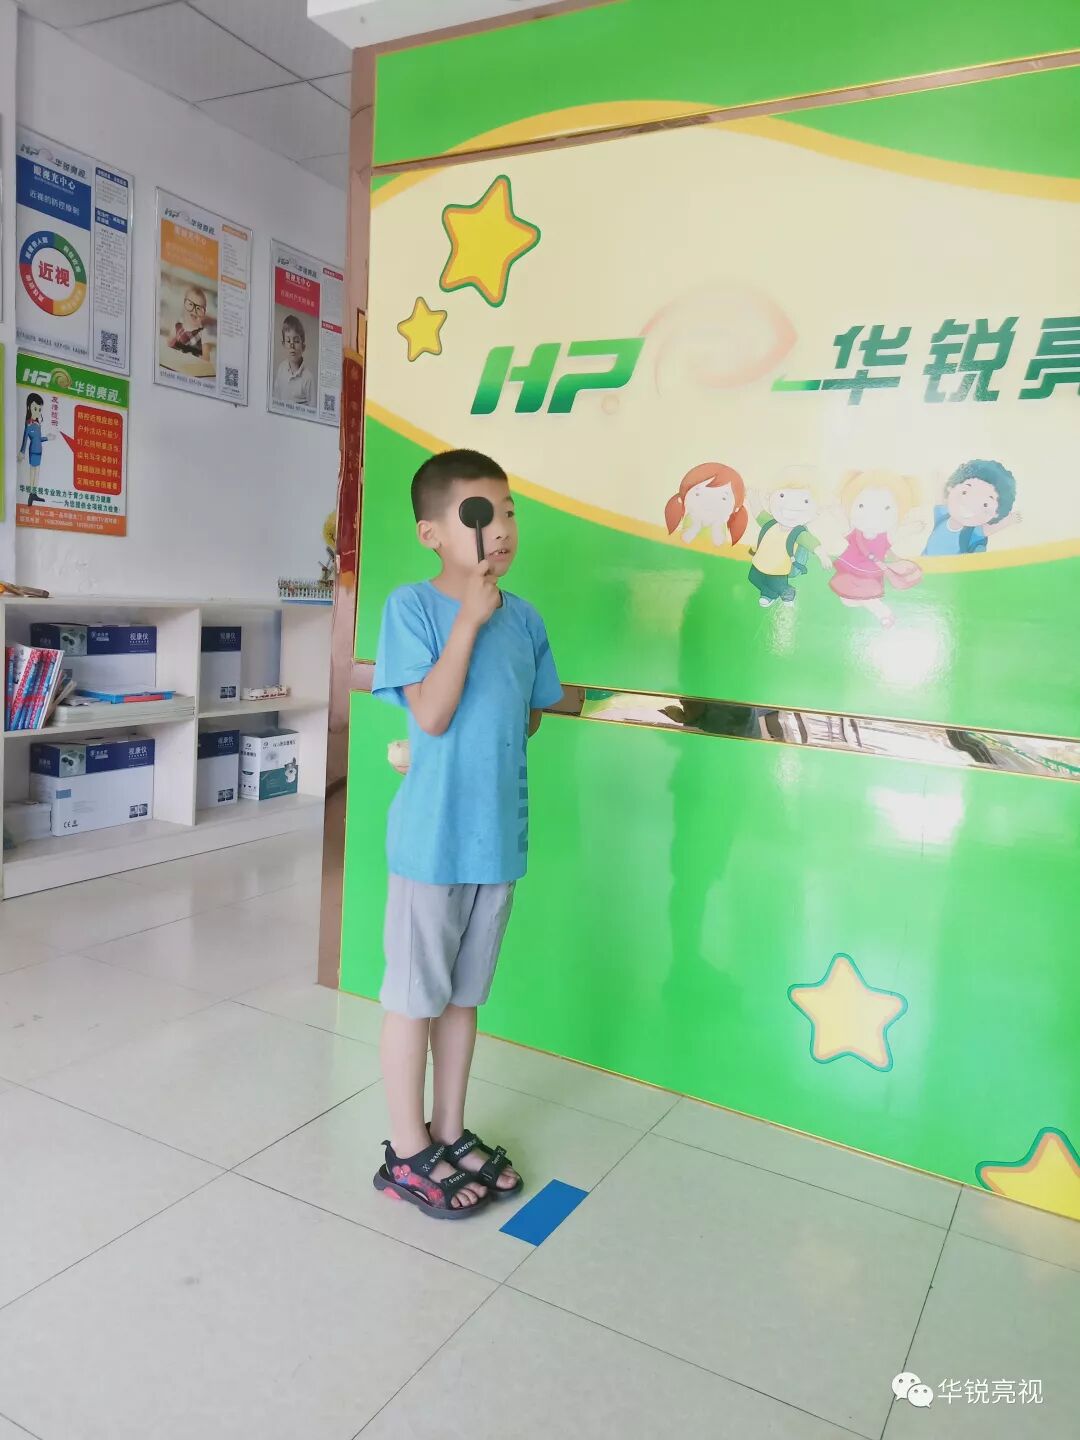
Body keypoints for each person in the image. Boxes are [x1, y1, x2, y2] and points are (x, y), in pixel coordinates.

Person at [370, 449, 562, 1217]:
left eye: (509, 511)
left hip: (497, 841)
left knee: (462, 999)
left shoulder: (527, 618)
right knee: (414, 998)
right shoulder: (411, 608)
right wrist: (470, 622)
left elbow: (528, 715)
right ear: (433, 534)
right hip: (432, 844)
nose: (503, 527)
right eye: (481, 514)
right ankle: (406, 1149)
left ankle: (448, 1131)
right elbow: (434, 712)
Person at [922, 459, 1020, 556]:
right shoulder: (943, 513)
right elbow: (939, 496)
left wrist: (1010, 519)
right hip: (924, 561)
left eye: (985, 504)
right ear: (951, 488)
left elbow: (991, 528)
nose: (970, 505)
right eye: (964, 492)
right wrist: (938, 477)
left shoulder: (974, 532)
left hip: (954, 565)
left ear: (996, 513)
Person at [273, 314, 316, 408]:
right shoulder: (281, 368)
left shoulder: (308, 378)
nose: (292, 345)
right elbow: (276, 396)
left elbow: (313, 407)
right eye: (288, 341)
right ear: (284, 344)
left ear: (303, 347)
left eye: (296, 341)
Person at [18, 393, 52, 506]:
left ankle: (34, 493)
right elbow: (25, 439)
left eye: (39, 409)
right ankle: (30, 496)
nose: (38, 412)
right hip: (32, 451)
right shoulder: (28, 425)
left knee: (37, 473)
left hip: (39, 451)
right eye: (35, 408)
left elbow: (39, 439)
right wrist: (22, 452)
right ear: (29, 407)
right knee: (32, 472)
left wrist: (48, 438)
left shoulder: (38, 425)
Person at [167, 284, 208, 356]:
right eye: (190, 304)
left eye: (198, 308)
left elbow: (206, 358)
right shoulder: (177, 327)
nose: (194, 310)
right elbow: (168, 345)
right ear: (184, 306)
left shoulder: (203, 334)